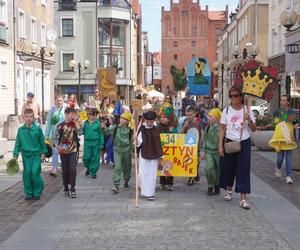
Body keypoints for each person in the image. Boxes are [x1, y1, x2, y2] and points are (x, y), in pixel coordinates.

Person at [218, 86, 256, 210]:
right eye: (231, 96)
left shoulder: (247, 110)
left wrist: (249, 120)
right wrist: (220, 145)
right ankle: (229, 190)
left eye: (236, 96)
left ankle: (243, 198)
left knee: (243, 170)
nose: (234, 98)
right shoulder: (226, 111)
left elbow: (254, 129)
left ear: (241, 97)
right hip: (229, 141)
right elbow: (222, 128)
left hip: (244, 141)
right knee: (229, 167)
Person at [13, 108, 47, 200]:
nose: (28, 118)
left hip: (36, 155)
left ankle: (37, 191)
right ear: (23, 118)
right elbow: (17, 143)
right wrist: (15, 154)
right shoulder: (21, 130)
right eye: (26, 116)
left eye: (30, 117)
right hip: (26, 156)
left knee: (35, 172)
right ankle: (28, 192)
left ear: (33, 118)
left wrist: (44, 152)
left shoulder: (38, 129)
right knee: (27, 173)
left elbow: (42, 141)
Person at [269, 94, 298, 184]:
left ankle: (288, 176)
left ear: (288, 102)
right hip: (279, 136)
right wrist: (274, 121)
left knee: (289, 157)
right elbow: (274, 122)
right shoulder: (277, 111)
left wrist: (295, 124)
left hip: (288, 136)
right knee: (280, 158)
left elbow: (295, 122)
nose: (282, 102)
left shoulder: (291, 112)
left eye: (284, 100)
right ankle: (278, 168)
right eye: (281, 100)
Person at [102, 111, 133, 193]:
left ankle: (126, 180)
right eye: (121, 118)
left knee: (127, 167)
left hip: (127, 150)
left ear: (128, 121)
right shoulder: (115, 127)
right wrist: (103, 127)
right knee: (117, 168)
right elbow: (106, 131)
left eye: (125, 119)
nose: (122, 120)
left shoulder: (130, 130)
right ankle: (116, 185)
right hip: (117, 150)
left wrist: (133, 150)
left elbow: (132, 141)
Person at [55, 107, 83, 198]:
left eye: (74, 114)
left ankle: (73, 189)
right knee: (64, 170)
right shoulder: (60, 125)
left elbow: (80, 133)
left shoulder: (75, 125)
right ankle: (66, 187)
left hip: (73, 150)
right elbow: (53, 138)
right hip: (63, 150)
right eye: (72, 114)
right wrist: (57, 146)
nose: (73, 116)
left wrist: (76, 123)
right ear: (66, 114)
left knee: (73, 169)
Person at [137, 111, 163, 201]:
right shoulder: (142, 129)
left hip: (154, 154)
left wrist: (160, 158)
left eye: (151, 121)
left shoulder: (156, 129)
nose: (149, 123)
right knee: (143, 173)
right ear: (145, 120)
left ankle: (151, 193)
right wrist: (135, 140)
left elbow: (158, 144)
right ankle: (144, 190)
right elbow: (138, 142)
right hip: (144, 153)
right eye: (148, 121)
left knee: (152, 175)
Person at [45, 95, 67, 177]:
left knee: (64, 152)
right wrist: (46, 135)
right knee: (55, 152)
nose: (60, 102)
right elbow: (49, 124)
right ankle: (54, 169)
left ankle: (64, 168)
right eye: (58, 100)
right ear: (55, 101)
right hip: (54, 135)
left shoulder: (66, 108)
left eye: (61, 100)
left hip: (65, 134)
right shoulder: (52, 110)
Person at [158, 106, 178, 191]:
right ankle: (162, 183)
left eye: (164, 117)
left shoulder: (173, 127)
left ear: (169, 118)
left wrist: (171, 132)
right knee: (162, 166)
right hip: (161, 151)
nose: (162, 119)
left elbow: (177, 137)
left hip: (170, 152)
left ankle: (170, 183)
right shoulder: (158, 127)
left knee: (170, 166)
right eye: (161, 117)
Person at [180, 106, 201, 185]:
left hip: (196, 145)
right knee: (189, 161)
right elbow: (181, 133)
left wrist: (200, 144)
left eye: (190, 115)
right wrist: (185, 127)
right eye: (187, 115)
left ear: (194, 114)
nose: (188, 117)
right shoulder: (185, 122)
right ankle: (192, 176)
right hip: (188, 145)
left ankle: (194, 174)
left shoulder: (198, 122)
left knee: (196, 161)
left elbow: (201, 133)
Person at [203, 108, 222, 196]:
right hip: (209, 151)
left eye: (211, 116)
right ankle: (210, 186)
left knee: (218, 170)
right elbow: (205, 139)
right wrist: (203, 151)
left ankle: (217, 186)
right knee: (209, 168)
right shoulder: (207, 126)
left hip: (218, 151)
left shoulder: (222, 127)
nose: (209, 118)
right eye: (209, 116)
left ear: (217, 117)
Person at [83, 108, 104, 179]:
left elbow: (101, 134)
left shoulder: (98, 124)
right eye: (90, 114)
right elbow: (81, 131)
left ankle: (93, 172)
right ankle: (89, 168)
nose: (91, 115)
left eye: (93, 114)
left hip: (95, 142)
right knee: (86, 157)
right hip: (87, 143)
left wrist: (101, 144)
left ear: (96, 115)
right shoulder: (85, 123)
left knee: (95, 157)